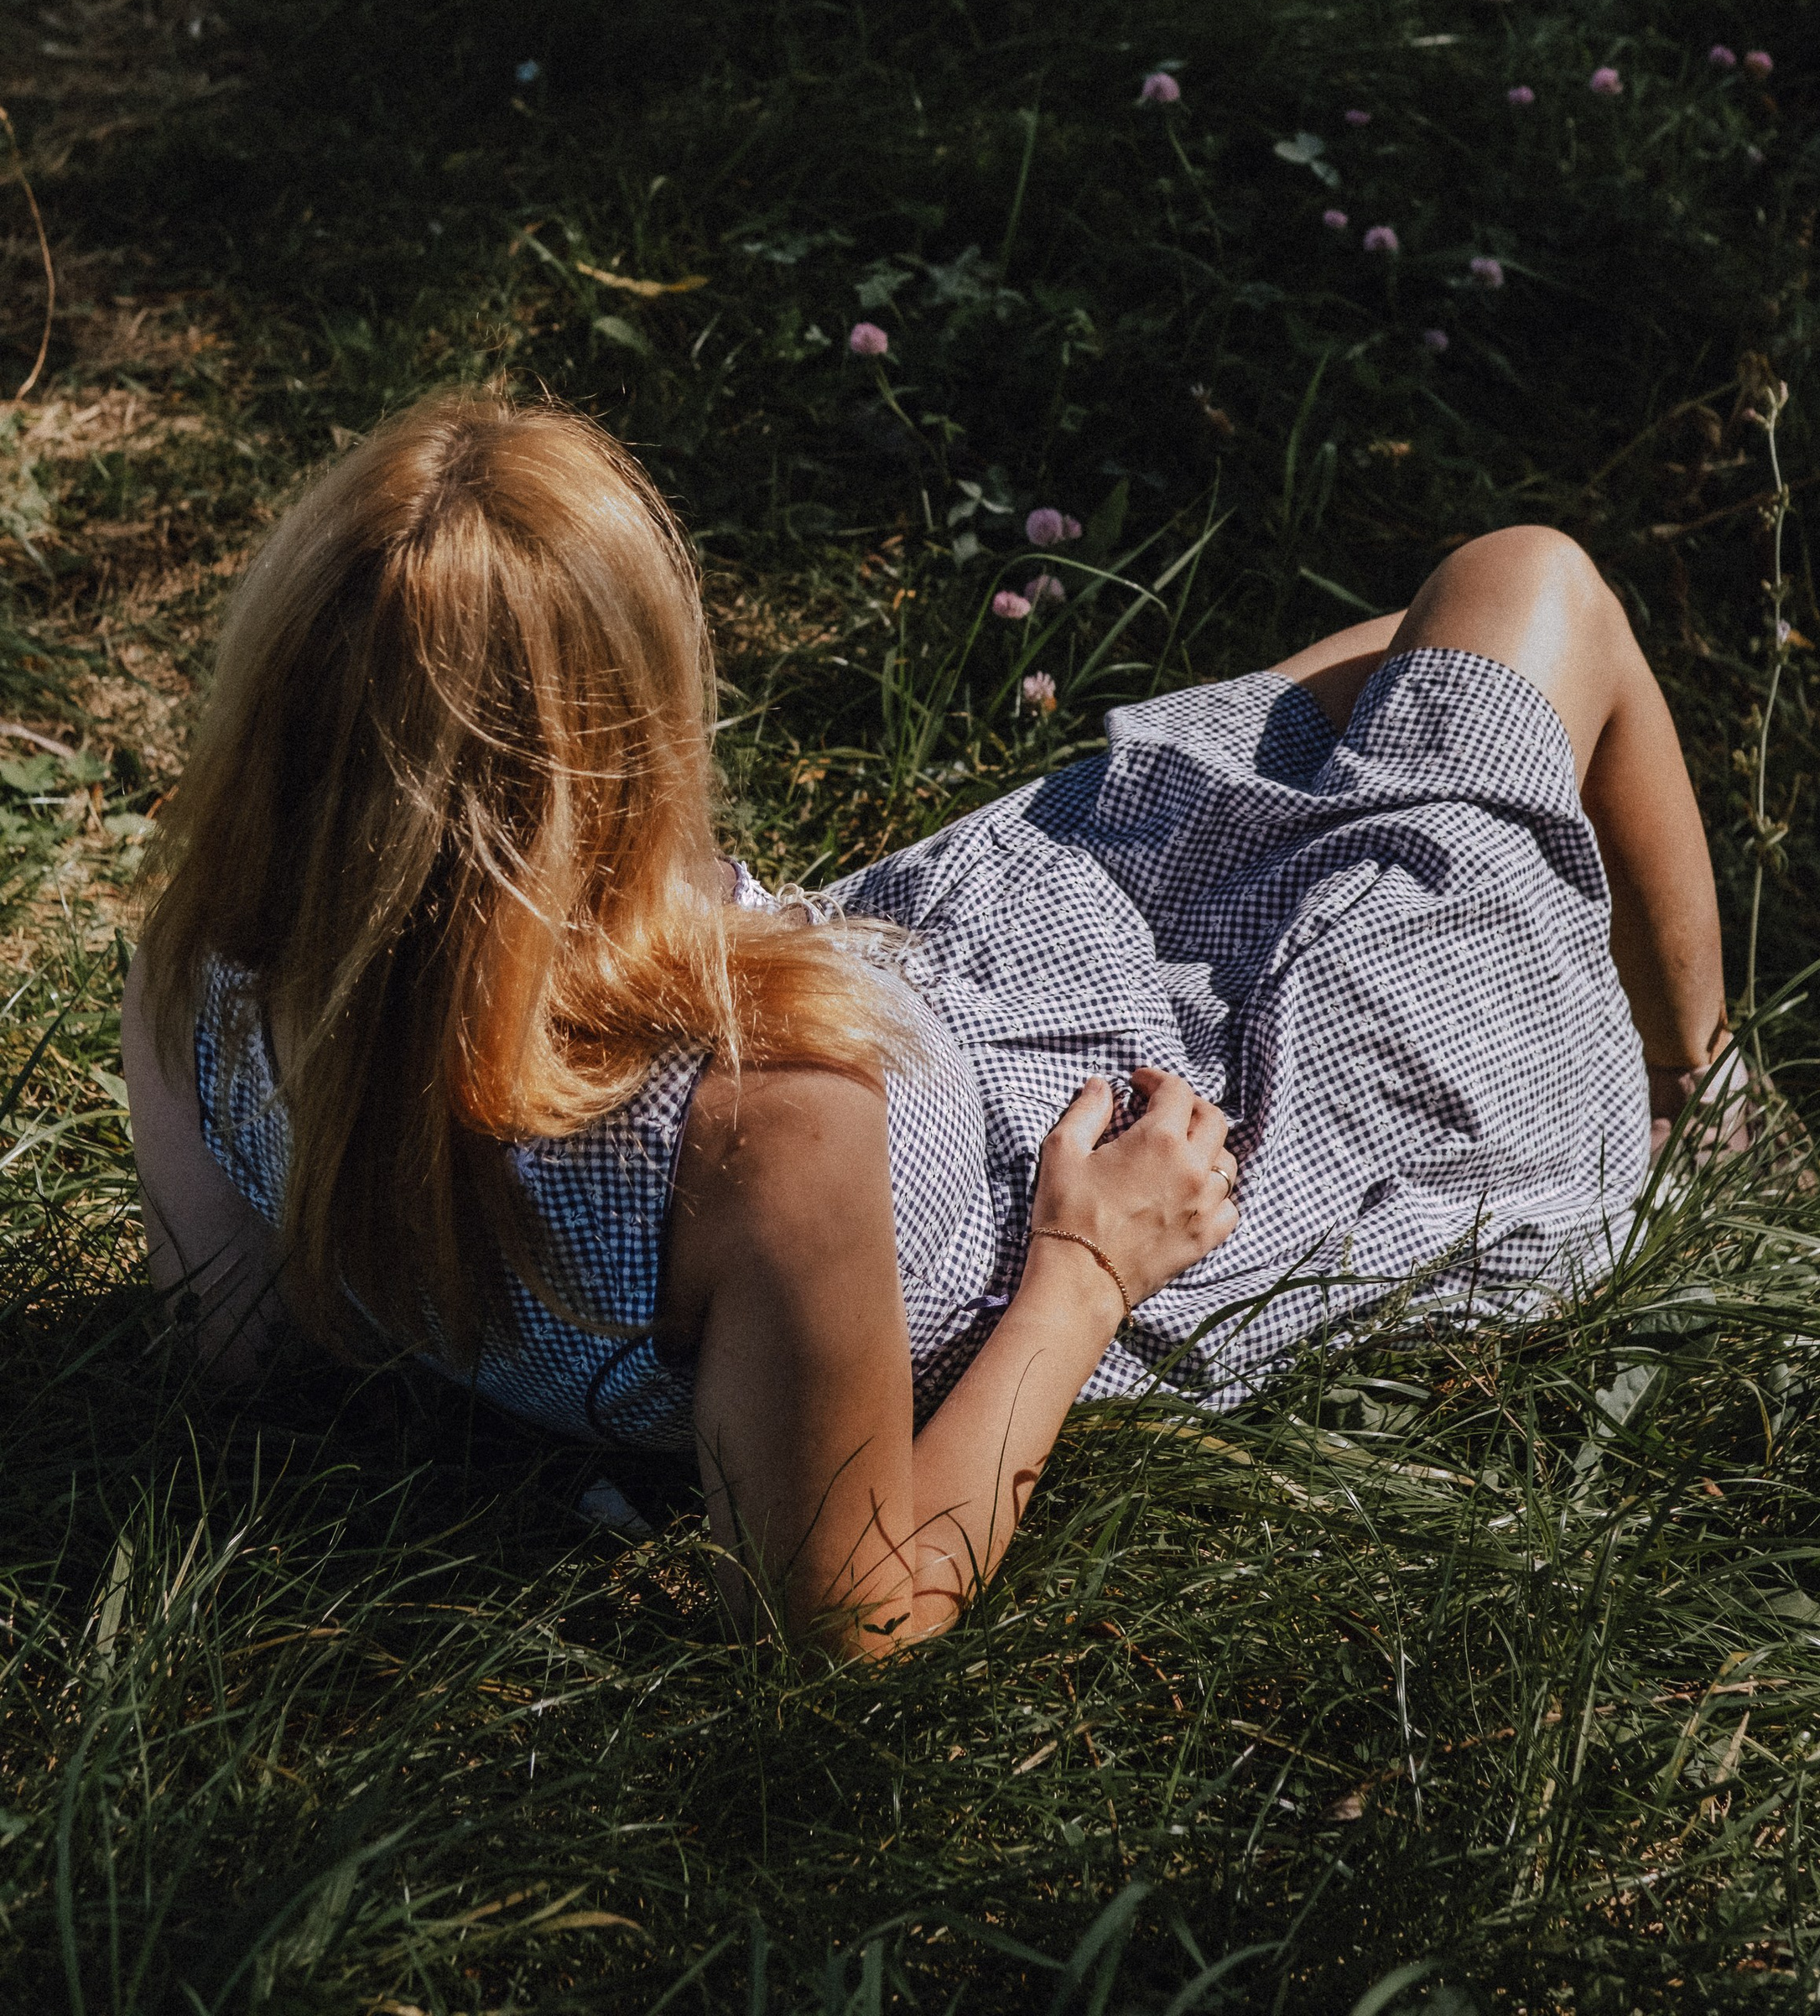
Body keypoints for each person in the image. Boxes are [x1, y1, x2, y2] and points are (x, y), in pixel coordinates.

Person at [122, 394, 1733, 1659]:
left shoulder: (205, 974)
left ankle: (1668, 1049)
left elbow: (248, 1348)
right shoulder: (759, 1127)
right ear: (620, 762)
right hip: (1157, 1124)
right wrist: (1090, 1270)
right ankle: (1702, 1094)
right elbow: (858, 1619)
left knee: (1392, 674)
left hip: (974, 982)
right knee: (1531, 589)